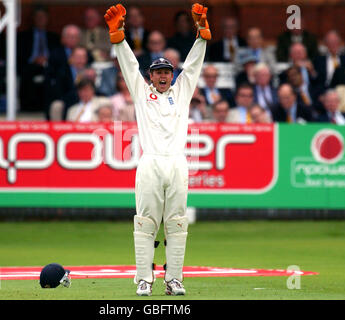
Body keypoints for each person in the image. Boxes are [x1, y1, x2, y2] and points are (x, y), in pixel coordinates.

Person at [104, 2, 210, 296]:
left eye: (167, 72)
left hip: (177, 163)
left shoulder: (182, 91)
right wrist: (119, 38)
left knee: (177, 223)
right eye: (158, 72)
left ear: (171, 74)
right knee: (145, 222)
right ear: (151, 75)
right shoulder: (141, 93)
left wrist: (201, 34)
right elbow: (128, 65)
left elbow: (193, 66)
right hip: (149, 164)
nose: (163, 76)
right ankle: (143, 279)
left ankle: (174, 279)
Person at [18, 6, 60, 111]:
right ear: (33, 18)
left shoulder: (54, 37)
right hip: (30, 66)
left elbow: (57, 56)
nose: (40, 19)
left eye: (43, 17)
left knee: (52, 75)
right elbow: (19, 56)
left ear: (47, 19)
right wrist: (34, 60)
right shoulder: (23, 36)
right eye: (38, 17)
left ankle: (47, 107)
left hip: (48, 66)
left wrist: (47, 60)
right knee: (28, 75)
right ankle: (28, 108)